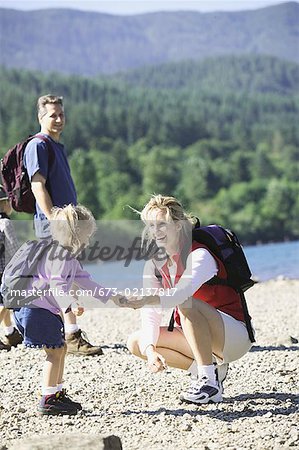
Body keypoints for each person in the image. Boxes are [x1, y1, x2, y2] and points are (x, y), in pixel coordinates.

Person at [119, 195, 253, 405]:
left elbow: (179, 295)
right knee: (137, 342)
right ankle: (208, 374)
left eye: (162, 225)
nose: (156, 232)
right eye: (151, 226)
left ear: (179, 226)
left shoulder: (200, 254)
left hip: (232, 336)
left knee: (185, 302)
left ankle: (209, 381)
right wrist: (151, 351)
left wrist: (145, 299)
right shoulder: (154, 264)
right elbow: (151, 314)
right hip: (197, 337)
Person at [12, 204, 125, 415]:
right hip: (35, 310)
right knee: (54, 352)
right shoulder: (60, 256)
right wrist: (69, 307)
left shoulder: (66, 258)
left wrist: (116, 298)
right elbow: (57, 285)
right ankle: (48, 399)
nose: (88, 241)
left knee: (60, 348)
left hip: (39, 309)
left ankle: (57, 393)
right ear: (75, 235)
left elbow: (88, 283)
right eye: (87, 235)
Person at [23, 94, 103, 356]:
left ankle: (24, 327)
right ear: (40, 118)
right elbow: (38, 186)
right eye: (52, 115)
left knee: (65, 276)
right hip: (55, 225)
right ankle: (71, 334)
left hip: (68, 225)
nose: (58, 119)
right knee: (60, 278)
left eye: (61, 114)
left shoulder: (57, 145)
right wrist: (53, 219)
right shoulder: (39, 145)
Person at [0, 185, 23, 351]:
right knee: (6, 303)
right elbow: (14, 250)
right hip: (3, 271)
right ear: (3, 203)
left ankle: (10, 333)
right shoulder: (5, 223)